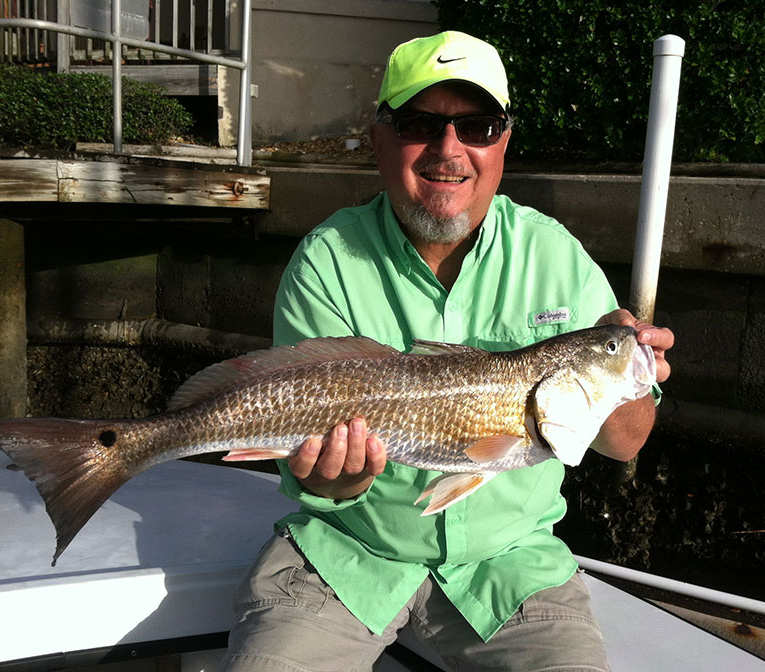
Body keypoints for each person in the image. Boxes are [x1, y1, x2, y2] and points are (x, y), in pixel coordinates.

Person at [222, 30, 674, 672]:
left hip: (511, 566)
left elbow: (625, 444)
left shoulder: (557, 257)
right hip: (346, 555)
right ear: (379, 141)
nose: (449, 149)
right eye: (419, 124)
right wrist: (338, 477)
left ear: (503, 142)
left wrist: (625, 371)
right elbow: (316, 475)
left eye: (478, 127)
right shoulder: (327, 259)